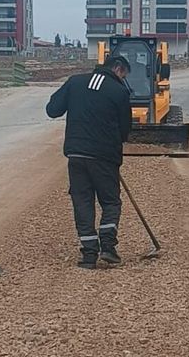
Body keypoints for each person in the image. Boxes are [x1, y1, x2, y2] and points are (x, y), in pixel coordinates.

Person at [46, 56, 132, 269]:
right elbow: (125, 131)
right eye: (124, 75)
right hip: (104, 157)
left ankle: (89, 255)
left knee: (82, 202)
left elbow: (52, 110)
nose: (123, 80)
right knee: (111, 202)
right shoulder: (120, 92)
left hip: (76, 155)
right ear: (118, 69)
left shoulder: (75, 82)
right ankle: (109, 247)